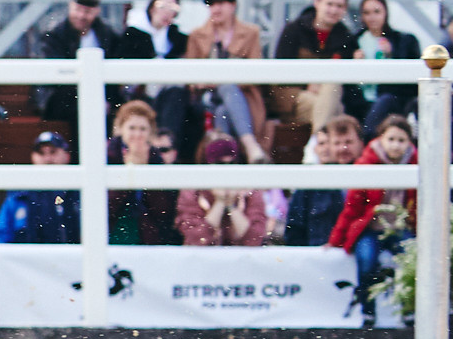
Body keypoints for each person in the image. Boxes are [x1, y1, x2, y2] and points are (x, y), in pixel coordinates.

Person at [331, 112, 417, 317]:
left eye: (401, 140)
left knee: (412, 260)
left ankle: (409, 310)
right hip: (371, 228)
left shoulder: (417, 165)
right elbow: (352, 207)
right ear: (381, 139)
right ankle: (367, 311)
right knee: (366, 259)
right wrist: (336, 239)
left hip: (401, 228)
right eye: (391, 139)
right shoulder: (366, 164)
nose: (396, 145)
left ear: (409, 142)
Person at [180, 0, 269, 162]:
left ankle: (223, 161)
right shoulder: (197, 35)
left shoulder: (251, 33)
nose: (215, 9)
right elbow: (190, 75)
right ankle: (250, 146)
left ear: (233, 5)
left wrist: (224, 80)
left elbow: (256, 72)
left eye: (220, 3)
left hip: (242, 95)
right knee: (224, 96)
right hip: (206, 97)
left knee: (223, 109)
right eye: (211, 4)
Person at [272, 0, 357, 132]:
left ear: (345, 9)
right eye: (329, 4)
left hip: (326, 96)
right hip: (293, 98)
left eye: (339, 6)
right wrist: (308, 83)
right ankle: (320, 139)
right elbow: (281, 70)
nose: (333, 10)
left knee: (331, 86)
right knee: (335, 111)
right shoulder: (294, 30)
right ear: (317, 2)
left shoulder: (346, 38)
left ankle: (317, 140)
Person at [113, 0, 191, 154]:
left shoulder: (179, 39)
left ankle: (166, 143)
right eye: (162, 6)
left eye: (173, 8)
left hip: (167, 91)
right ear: (152, 7)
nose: (167, 12)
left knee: (176, 95)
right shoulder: (132, 34)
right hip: (138, 91)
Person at [106, 99, 181, 247]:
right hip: (112, 231)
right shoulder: (108, 155)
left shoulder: (156, 158)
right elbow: (106, 206)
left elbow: (163, 210)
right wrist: (128, 172)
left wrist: (145, 171)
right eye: (132, 128)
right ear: (121, 128)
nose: (137, 134)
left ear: (150, 132)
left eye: (143, 129)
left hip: (146, 236)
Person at [36, 0, 111, 129]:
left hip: (100, 95)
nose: (81, 16)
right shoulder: (54, 34)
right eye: (78, 10)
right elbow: (56, 73)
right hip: (62, 98)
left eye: (87, 12)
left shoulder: (106, 34)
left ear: (97, 11)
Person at [286, 114, 363, 247]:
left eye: (349, 142)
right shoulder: (312, 181)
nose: (343, 148)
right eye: (337, 143)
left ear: (361, 143)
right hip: (321, 255)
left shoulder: (375, 175)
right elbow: (294, 230)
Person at [176, 136, 267, 247]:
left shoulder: (251, 191)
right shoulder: (193, 192)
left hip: (241, 256)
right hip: (203, 256)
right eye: (220, 164)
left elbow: (254, 240)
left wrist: (232, 206)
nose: (226, 170)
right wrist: (219, 203)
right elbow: (196, 240)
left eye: (231, 163)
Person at [348, 0, 420, 131]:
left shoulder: (403, 40)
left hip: (390, 101)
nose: (372, 17)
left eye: (376, 12)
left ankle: (367, 137)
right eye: (367, 13)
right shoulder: (354, 41)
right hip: (361, 101)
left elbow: (411, 81)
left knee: (383, 103)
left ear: (385, 13)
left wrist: (392, 55)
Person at [0, 132, 81, 243]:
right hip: (27, 254)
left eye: (53, 152)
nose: (48, 159)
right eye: (41, 153)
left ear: (67, 155)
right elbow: (1, 237)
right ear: (33, 157)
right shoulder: (19, 196)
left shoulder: (82, 194)